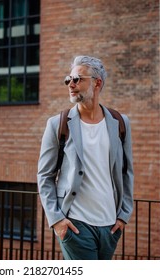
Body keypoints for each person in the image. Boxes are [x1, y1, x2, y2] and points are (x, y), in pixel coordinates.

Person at [37, 55, 134, 260]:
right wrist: (56, 220)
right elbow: (45, 176)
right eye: (68, 79)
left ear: (97, 82)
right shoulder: (58, 124)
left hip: (110, 226)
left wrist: (124, 215)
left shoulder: (120, 123)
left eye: (78, 79)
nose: (71, 84)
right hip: (75, 224)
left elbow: (126, 172)